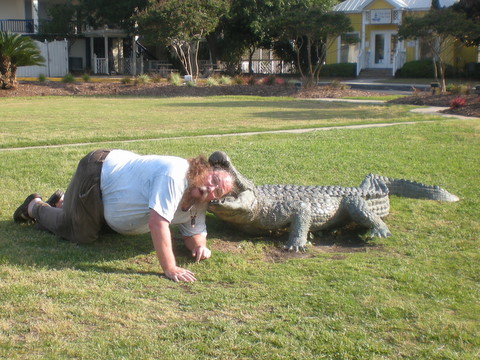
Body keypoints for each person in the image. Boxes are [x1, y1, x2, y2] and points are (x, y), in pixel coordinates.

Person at [13, 149, 234, 282]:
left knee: (100, 229)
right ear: (207, 171)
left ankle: (63, 204)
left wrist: (199, 247)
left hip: (107, 201)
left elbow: (194, 231)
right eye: (213, 181)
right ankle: (35, 206)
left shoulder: (199, 201)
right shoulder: (176, 175)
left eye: (217, 192)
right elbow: (158, 223)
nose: (211, 189)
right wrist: (170, 268)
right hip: (96, 174)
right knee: (81, 234)